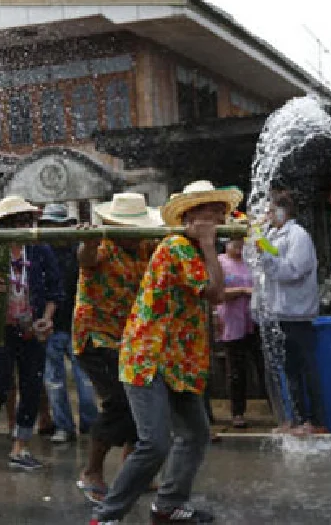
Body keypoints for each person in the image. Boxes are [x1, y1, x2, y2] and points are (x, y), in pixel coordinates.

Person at [90, 180, 233, 525]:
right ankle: (106, 516)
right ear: (191, 216)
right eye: (211, 211)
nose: (219, 216)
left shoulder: (194, 249)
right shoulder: (177, 247)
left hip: (178, 360)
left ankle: (168, 505)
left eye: (221, 210)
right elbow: (215, 293)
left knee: (196, 433)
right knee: (154, 443)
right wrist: (211, 246)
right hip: (149, 357)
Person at [0, 195, 62, 472]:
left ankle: (20, 447)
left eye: (27, 221)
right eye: (17, 221)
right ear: (4, 225)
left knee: (31, 387)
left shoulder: (40, 251)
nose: (24, 226)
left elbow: (55, 290)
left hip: (32, 330)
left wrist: (46, 319)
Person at [75, 192, 159, 504]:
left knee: (143, 396)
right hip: (96, 336)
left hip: (132, 336)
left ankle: (132, 466)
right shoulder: (103, 246)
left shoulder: (147, 246)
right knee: (118, 401)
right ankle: (91, 471)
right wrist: (89, 242)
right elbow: (85, 259)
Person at [259, 189, 325, 435]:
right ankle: (295, 419)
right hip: (279, 313)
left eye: (270, 210)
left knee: (306, 369)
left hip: (297, 313)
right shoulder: (272, 234)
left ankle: (316, 420)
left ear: (283, 210)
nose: (267, 215)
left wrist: (265, 256)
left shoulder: (298, 236)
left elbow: (293, 271)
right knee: (290, 370)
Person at [40, 203, 98, 444]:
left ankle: (90, 425)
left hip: (78, 324)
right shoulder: (41, 253)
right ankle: (64, 426)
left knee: (84, 380)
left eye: (59, 225)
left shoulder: (79, 251)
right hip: (52, 324)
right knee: (55, 381)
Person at [214, 225, 264, 430]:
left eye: (241, 242)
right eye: (234, 241)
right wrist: (243, 290)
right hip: (231, 320)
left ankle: (277, 408)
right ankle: (237, 412)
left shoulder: (250, 263)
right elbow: (218, 292)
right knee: (236, 370)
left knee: (262, 365)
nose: (239, 246)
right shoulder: (220, 263)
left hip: (252, 319)